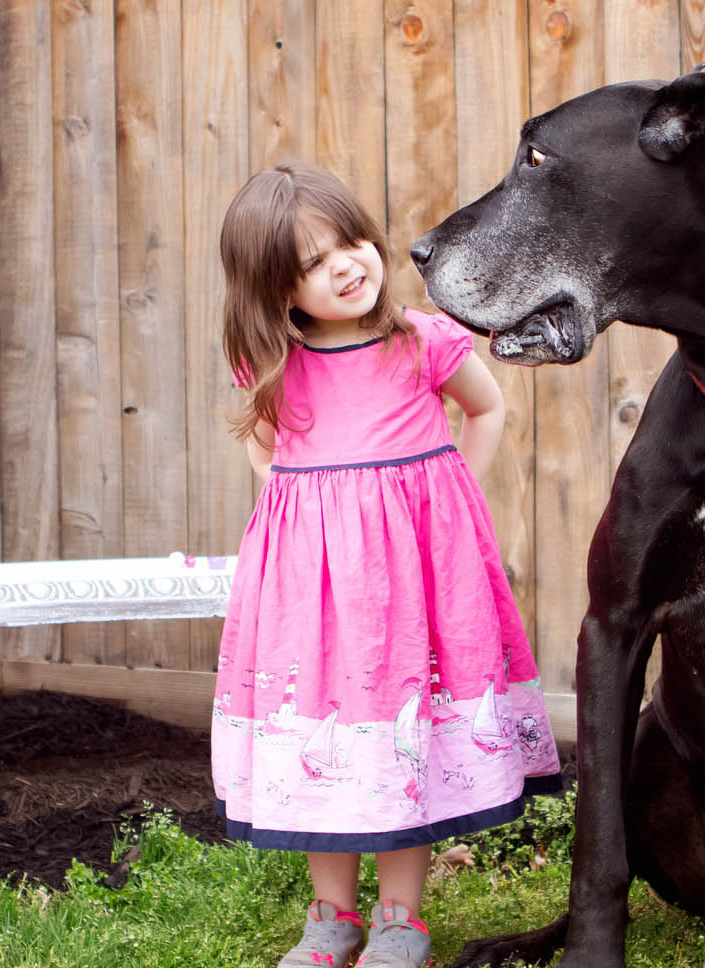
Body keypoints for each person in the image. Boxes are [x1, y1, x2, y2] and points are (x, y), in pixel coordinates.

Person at [209, 161, 563, 968]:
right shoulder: (275, 366)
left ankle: (402, 919)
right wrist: (302, 536)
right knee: (327, 744)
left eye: (350, 240)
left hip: (417, 589)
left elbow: (488, 406)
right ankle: (331, 916)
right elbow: (270, 460)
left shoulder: (422, 340)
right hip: (319, 601)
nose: (344, 264)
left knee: (406, 744)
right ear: (277, 291)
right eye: (310, 262)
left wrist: (447, 509)